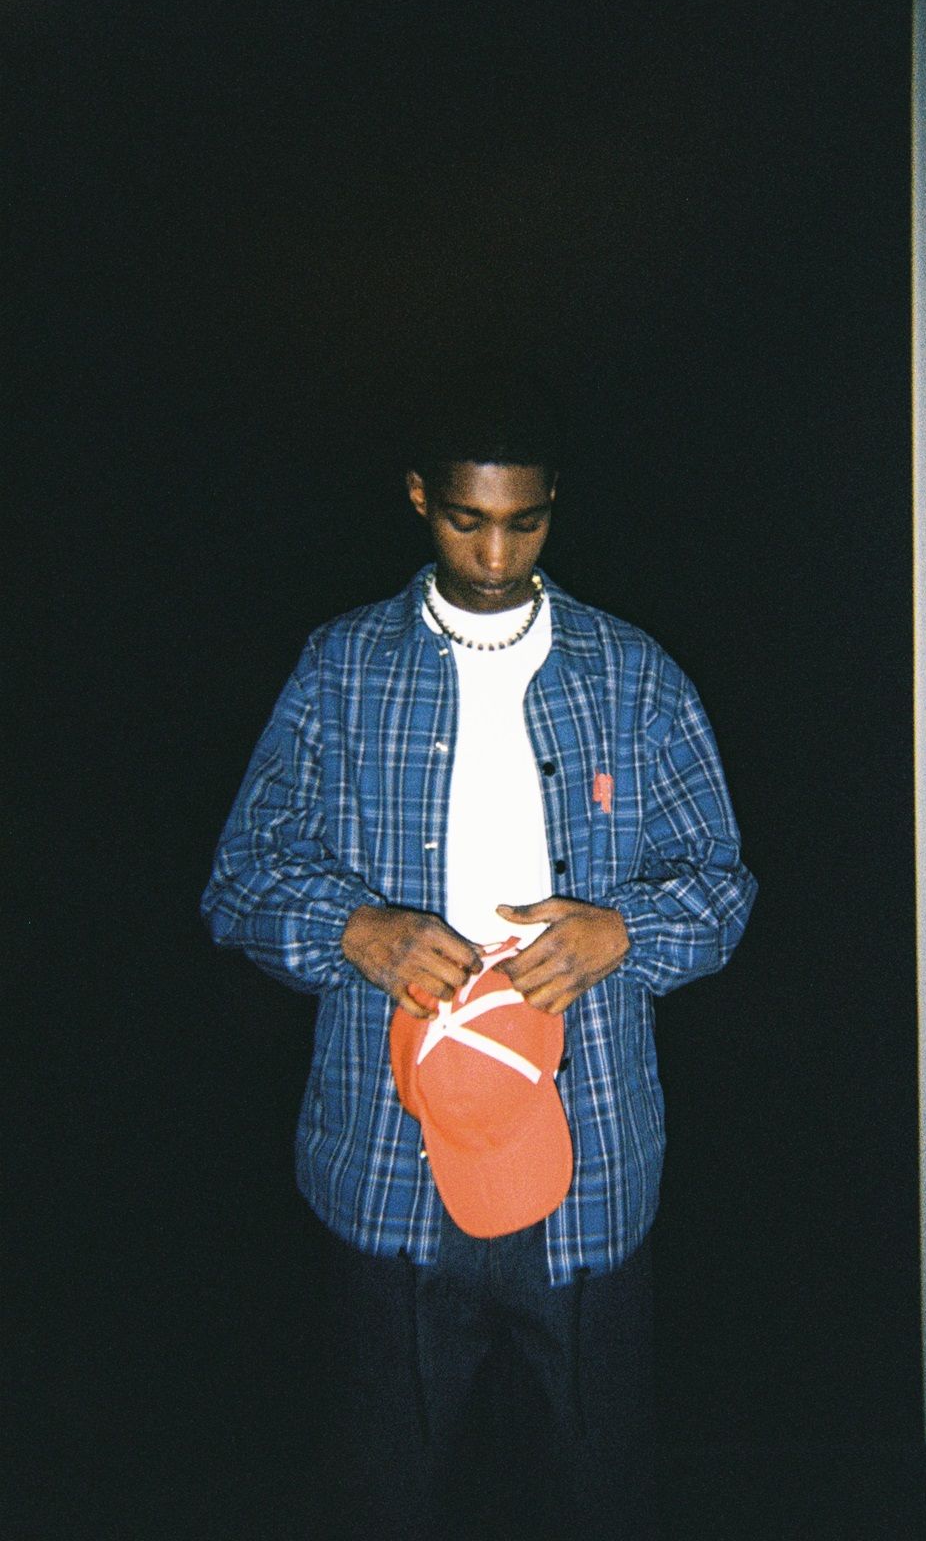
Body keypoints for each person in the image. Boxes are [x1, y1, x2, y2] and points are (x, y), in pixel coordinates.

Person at [201, 381, 757, 1539]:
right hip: (387, 1167)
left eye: (524, 522)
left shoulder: (632, 674)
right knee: (385, 1491)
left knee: (600, 1491)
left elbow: (722, 886)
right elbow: (240, 879)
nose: (496, 555)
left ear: (553, 504)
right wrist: (355, 926)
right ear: (419, 497)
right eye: (466, 520)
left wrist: (624, 930)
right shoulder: (342, 667)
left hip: (589, 1166)